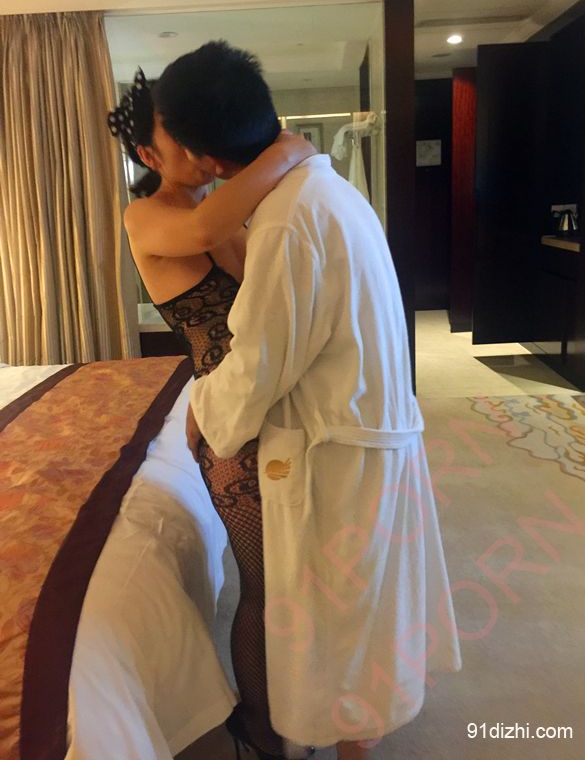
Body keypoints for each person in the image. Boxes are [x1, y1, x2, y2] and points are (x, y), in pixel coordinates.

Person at [153, 41, 462, 760]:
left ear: (203, 157)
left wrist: (202, 413)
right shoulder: (323, 191)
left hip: (338, 452)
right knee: (359, 611)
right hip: (363, 431)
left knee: (339, 621)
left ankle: (349, 746)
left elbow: (261, 361)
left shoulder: (290, 219)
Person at [108, 69, 318, 760]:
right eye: (182, 142)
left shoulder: (220, 207)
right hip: (230, 431)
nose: (201, 153)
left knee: (296, 573)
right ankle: (258, 726)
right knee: (263, 587)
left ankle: (299, 702)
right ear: (149, 155)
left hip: (262, 407)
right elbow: (206, 227)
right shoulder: (149, 216)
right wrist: (286, 150)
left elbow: (264, 284)